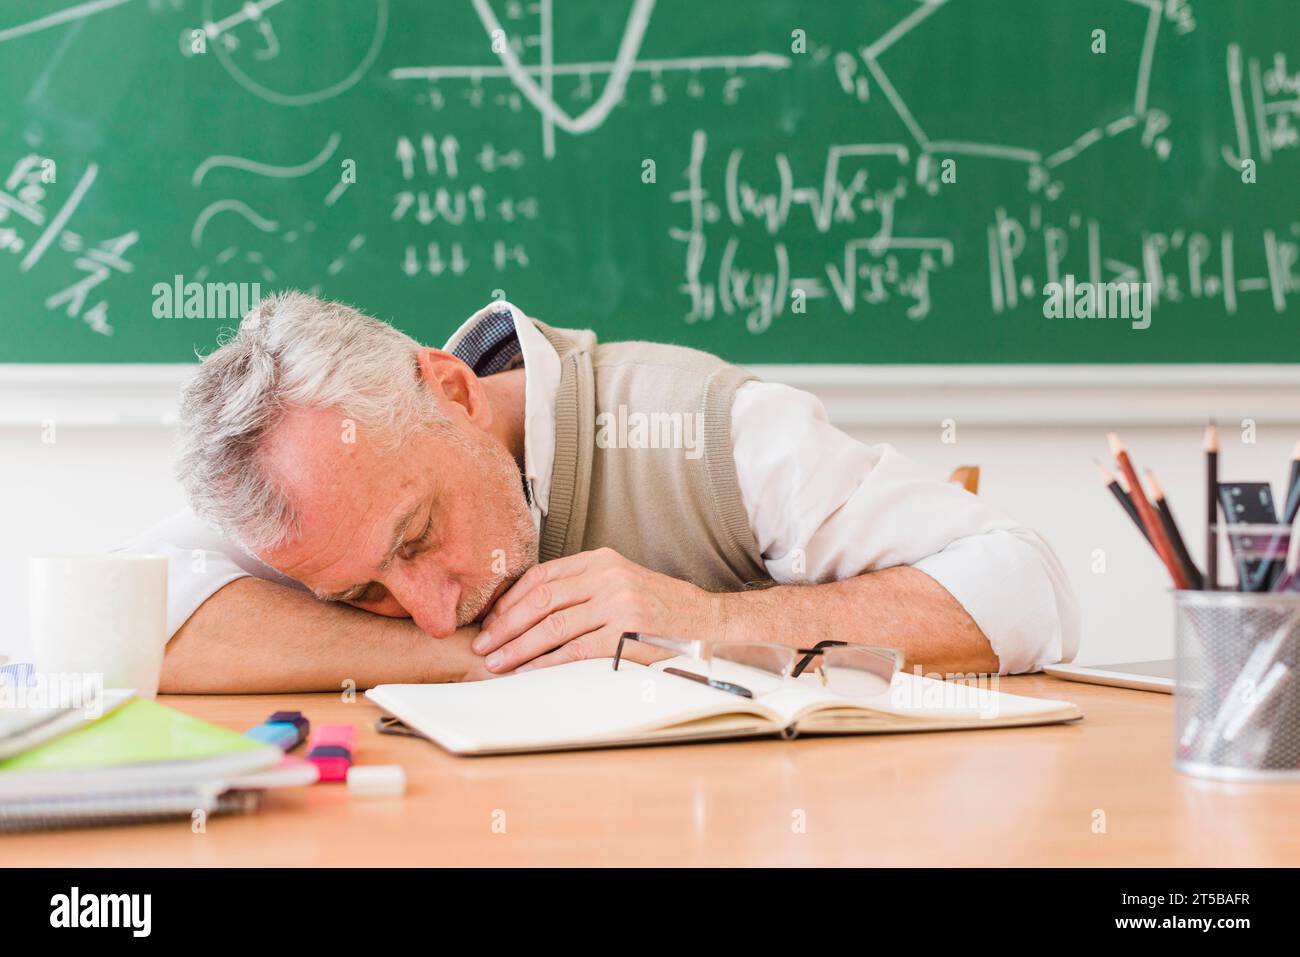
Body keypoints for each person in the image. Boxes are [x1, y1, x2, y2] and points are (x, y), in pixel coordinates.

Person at [119, 292, 1080, 692]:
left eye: (418, 537)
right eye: (360, 590)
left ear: (451, 392)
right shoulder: (328, 488)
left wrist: (702, 620)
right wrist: (477, 662)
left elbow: (1029, 587)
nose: (430, 608)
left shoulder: (713, 429)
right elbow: (133, 609)